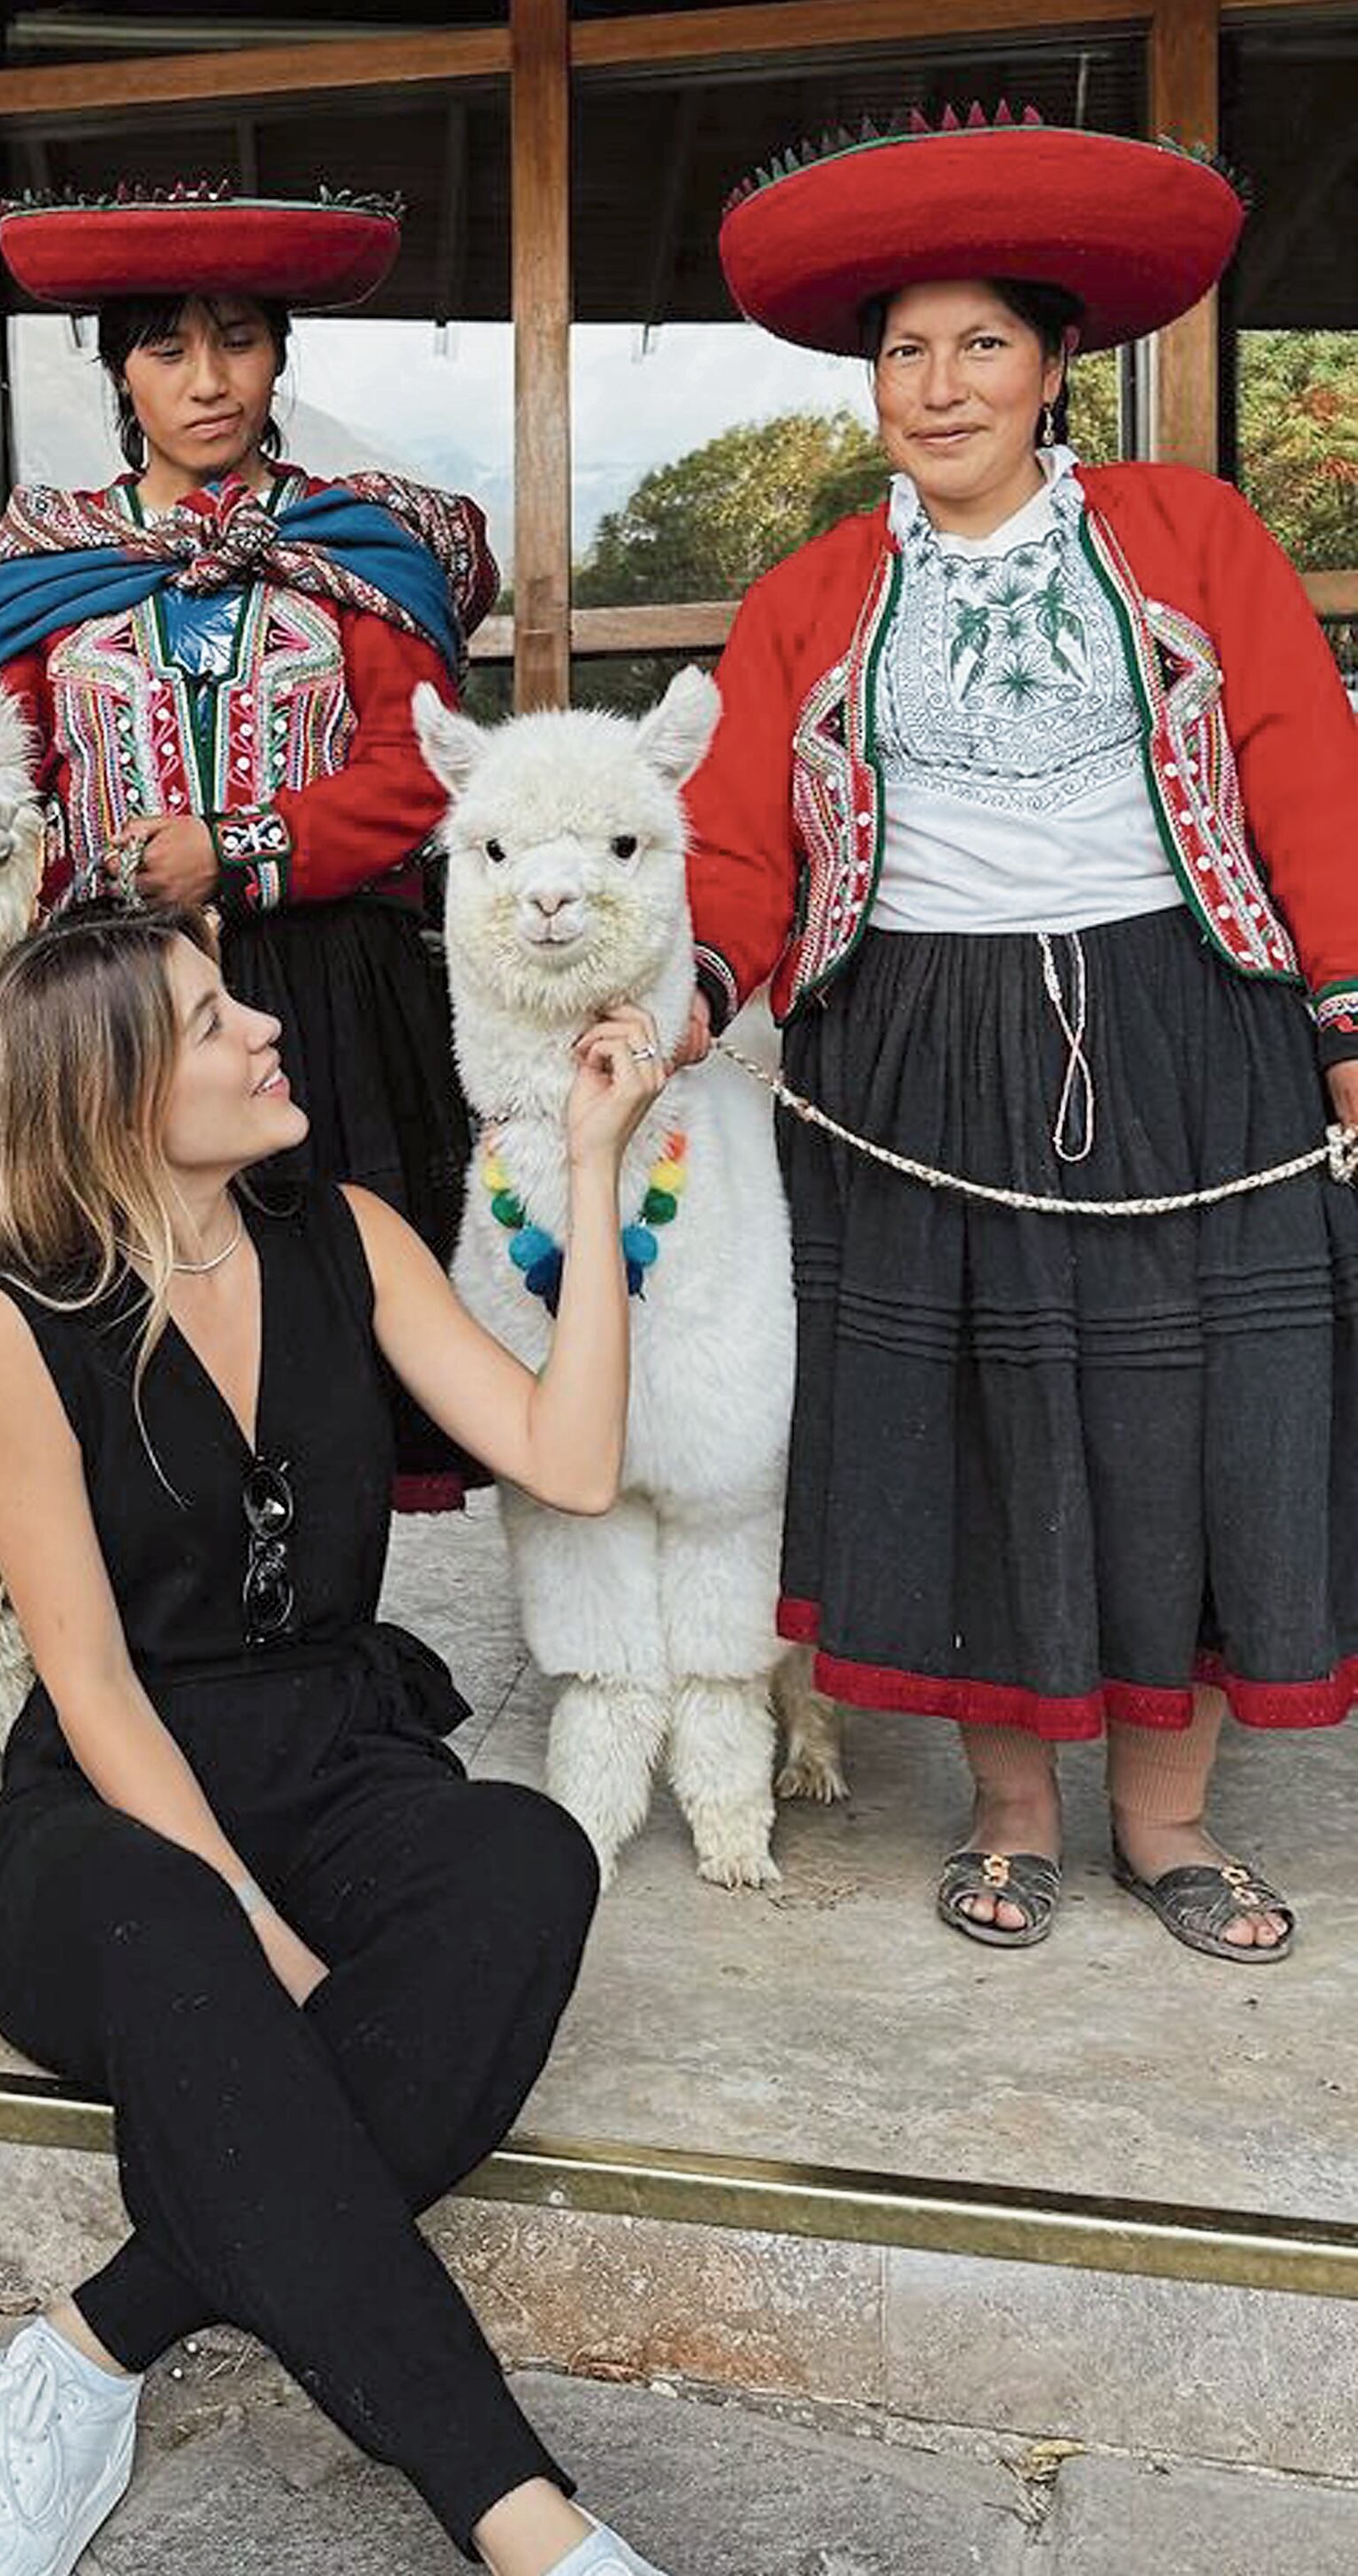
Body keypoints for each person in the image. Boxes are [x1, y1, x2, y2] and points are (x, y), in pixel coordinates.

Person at [0, 898, 681, 2576]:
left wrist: (595, 1166)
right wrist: (269, 1943)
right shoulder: (19, 1320)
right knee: (183, 1939)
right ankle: (529, 2522)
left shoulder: (347, 1233)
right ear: (108, 1089)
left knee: (525, 1854)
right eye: (215, 1018)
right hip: (110, 1831)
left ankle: (86, 2351)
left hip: (338, 1763)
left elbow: (570, 1458)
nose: (263, 1030)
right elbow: (86, 1684)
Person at [683, 108, 1358, 1959]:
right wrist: (679, 993)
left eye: (983, 342)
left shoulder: (1188, 535)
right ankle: (1006, 1811)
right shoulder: (808, 597)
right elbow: (742, 836)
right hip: (912, 1051)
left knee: (1192, 1423)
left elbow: (1303, 759)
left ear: (1063, 367)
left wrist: (1346, 1004)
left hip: (1184, 1029)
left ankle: (1168, 1821)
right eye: (906, 348)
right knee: (978, 1429)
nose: (939, 381)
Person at [0, 182, 497, 1509]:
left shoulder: (359, 544)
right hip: (113, 1002)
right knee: (128, 1309)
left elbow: (411, 769)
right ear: (117, 375)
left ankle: (320, 1632)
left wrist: (242, 849)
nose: (209, 381)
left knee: (320, 1313)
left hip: (323, 989)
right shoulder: (48, 558)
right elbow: (5, 772)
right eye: (166, 349)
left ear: (279, 354)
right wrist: (74, 887)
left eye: (240, 340)